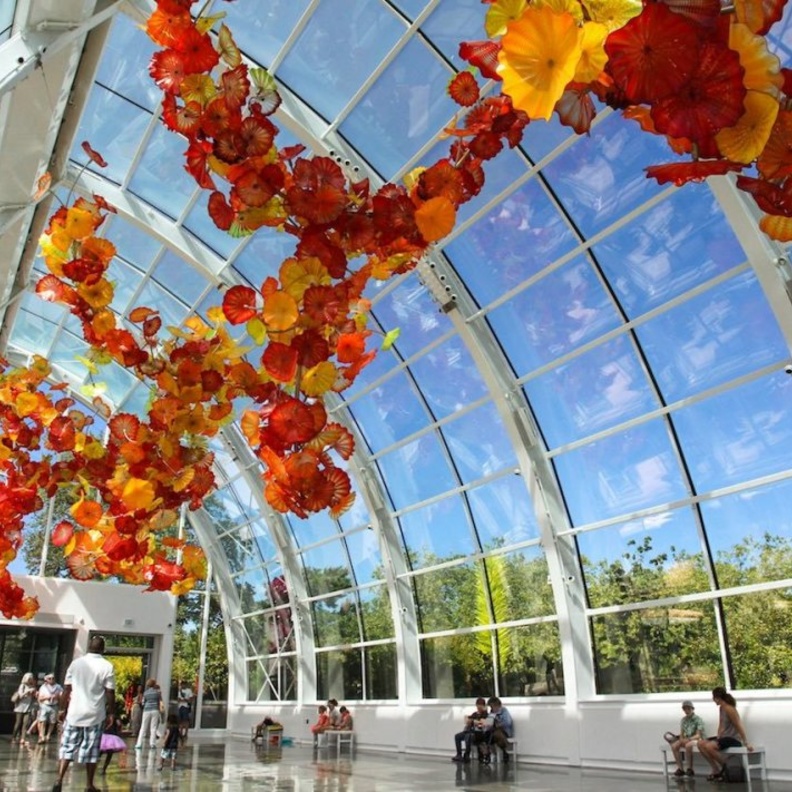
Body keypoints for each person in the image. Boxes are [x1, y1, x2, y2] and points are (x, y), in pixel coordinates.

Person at [51, 635, 115, 792]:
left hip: (74, 713)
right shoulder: (107, 666)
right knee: (91, 751)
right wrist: (112, 713)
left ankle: (59, 779)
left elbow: (67, 689)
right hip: (95, 714)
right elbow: (110, 692)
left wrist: (61, 709)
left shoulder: (76, 664)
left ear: (89, 647)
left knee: (67, 748)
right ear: (102, 649)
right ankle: (89, 784)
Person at [697, 686, 754, 782]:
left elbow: (738, 725)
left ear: (717, 698)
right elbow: (721, 724)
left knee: (709, 746)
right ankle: (715, 769)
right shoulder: (721, 708)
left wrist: (746, 742)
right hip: (724, 738)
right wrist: (718, 735)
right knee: (700, 744)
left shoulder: (729, 708)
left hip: (733, 739)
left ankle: (726, 766)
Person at [665, 700, 706, 777]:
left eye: (688, 708)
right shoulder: (683, 720)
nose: (686, 710)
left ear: (692, 709)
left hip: (697, 739)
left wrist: (688, 739)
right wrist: (681, 740)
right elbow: (682, 734)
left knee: (688, 745)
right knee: (674, 746)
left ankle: (690, 768)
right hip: (687, 739)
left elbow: (698, 735)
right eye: (685, 709)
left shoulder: (698, 719)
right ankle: (680, 768)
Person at [451, 698, 491, 763]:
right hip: (471, 731)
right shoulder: (475, 714)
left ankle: (467, 755)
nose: (479, 707)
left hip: (478, 734)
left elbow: (483, 723)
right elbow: (467, 719)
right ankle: (459, 754)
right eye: (478, 705)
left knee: (468, 736)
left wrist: (476, 721)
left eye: (481, 705)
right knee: (457, 736)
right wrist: (472, 721)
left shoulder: (486, 715)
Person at [135, 678, 163, 750]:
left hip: (146, 710)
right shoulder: (157, 693)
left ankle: (139, 744)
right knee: (153, 728)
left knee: (143, 727)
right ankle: (152, 744)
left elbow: (143, 702)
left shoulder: (145, 693)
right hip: (155, 710)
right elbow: (160, 700)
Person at [11, 672, 37, 746]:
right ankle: (14, 737)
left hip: (28, 707)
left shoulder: (32, 686)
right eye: (29, 678)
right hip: (20, 706)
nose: (31, 680)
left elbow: (33, 697)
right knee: (18, 723)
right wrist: (27, 691)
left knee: (26, 723)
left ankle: (23, 739)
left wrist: (34, 693)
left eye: (31, 678)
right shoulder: (22, 686)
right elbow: (21, 695)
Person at [36, 673, 63, 744]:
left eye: (53, 678)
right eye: (49, 678)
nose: (51, 680)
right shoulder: (43, 687)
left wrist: (57, 696)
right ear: (46, 680)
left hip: (54, 705)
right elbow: (40, 698)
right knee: (43, 721)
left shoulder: (58, 687)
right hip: (45, 705)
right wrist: (46, 697)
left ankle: (48, 735)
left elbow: (62, 696)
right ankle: (42, 735)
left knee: (52, 721)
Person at [487, 696, 514, 763]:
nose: (492, 708)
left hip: (505, 731)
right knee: (489, 735)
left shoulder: (504, 711)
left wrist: (500, 723)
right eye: (491, 707)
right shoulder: (491, 713)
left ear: (497, 705)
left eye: (493, 706)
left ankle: (502, 752)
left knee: (496, 734)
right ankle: (503, 751)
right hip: (494, 731)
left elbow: (508, 722)